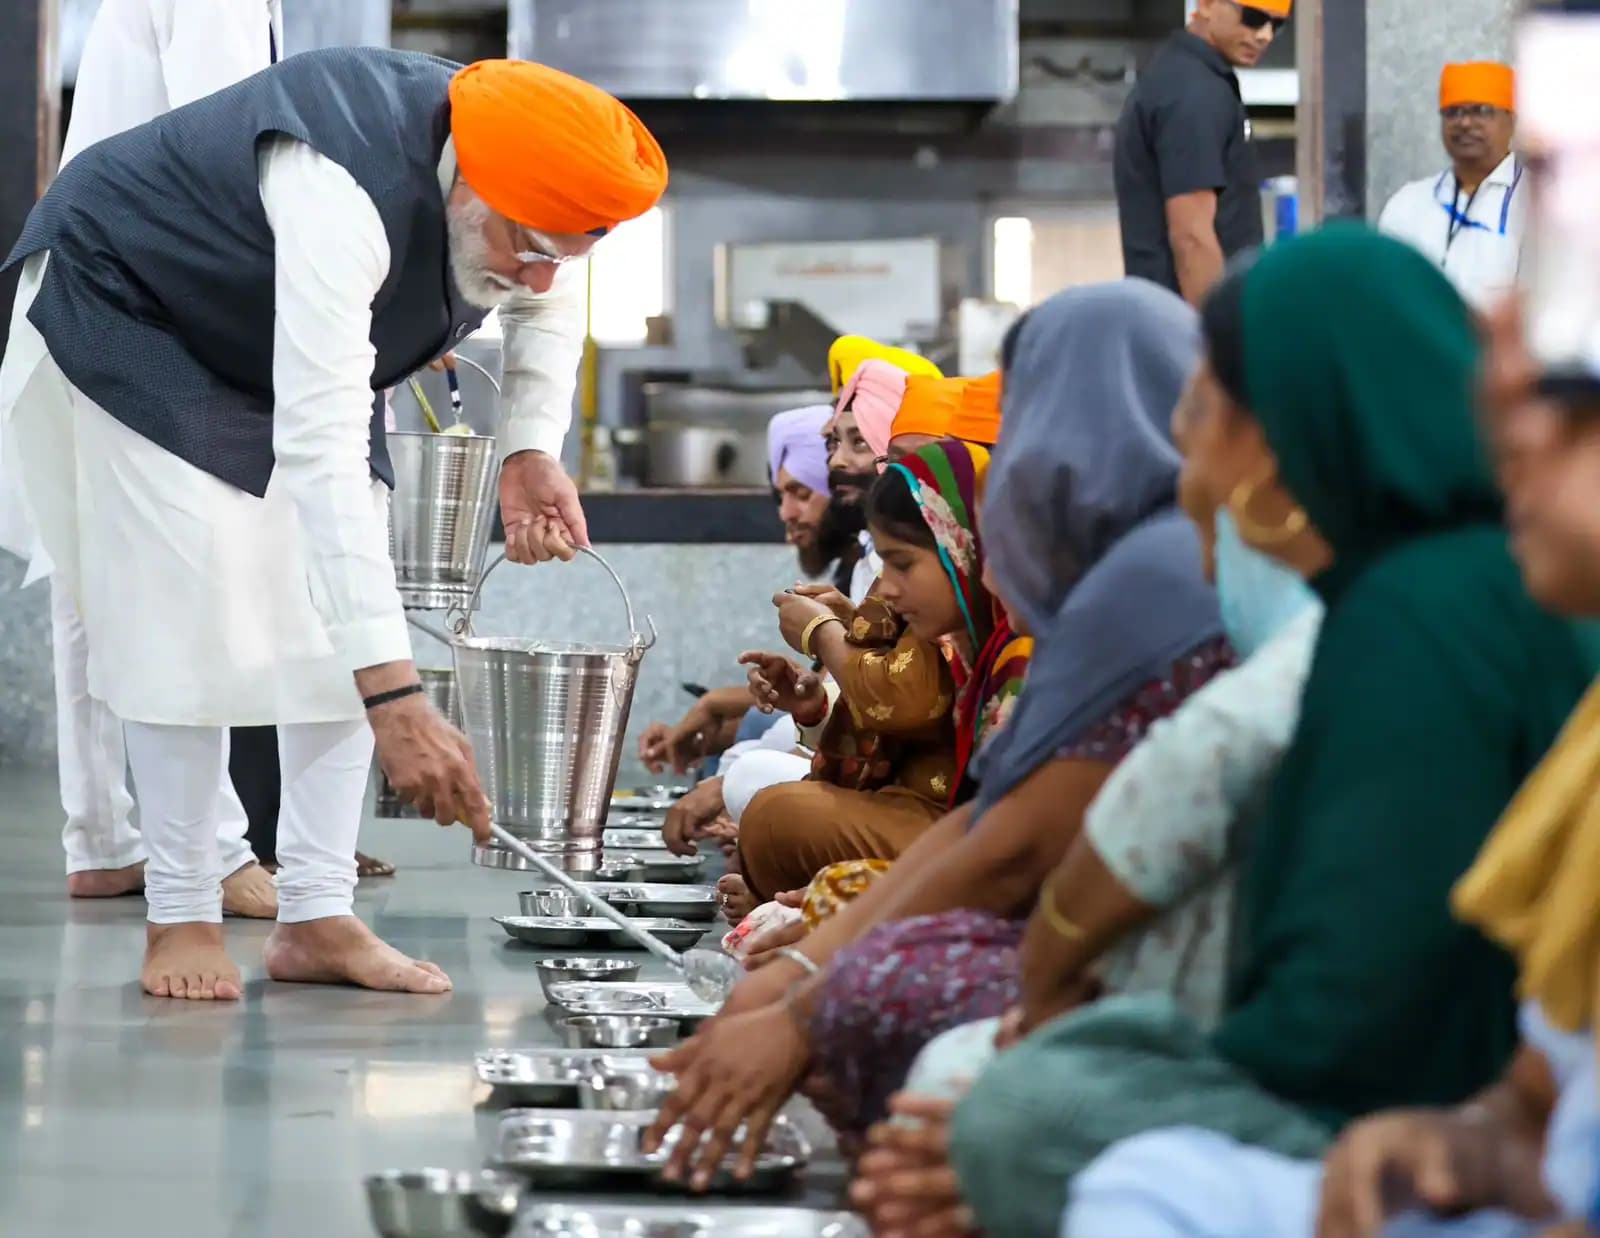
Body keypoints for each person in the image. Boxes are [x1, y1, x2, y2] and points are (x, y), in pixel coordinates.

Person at [943, 227, 1597, 1238]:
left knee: (1035, 1112)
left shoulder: (1415, 616)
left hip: (1406, 1111)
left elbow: (1356, 1012)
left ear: (1285, 426)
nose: (1186, 450)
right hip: (1475, 1097)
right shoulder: (1445, 588)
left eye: (1205, 407)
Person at [0, 51, 666, 1000]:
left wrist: (528, 446)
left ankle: (318, 915)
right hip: (135, 301)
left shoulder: (524, 195)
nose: (544, 280)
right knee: (183, 604)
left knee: (341, 615)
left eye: (569, 256)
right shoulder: (338, 178)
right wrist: (395, 702)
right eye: (532, 249)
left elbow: (541, 307)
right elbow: (318, 445)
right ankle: (180, 911)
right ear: (470, 187)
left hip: (271, 330)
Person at [643, 278, 1231, 1187]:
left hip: (1190, 968)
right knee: (860, 953)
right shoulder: (1125, 568)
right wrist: (802, 964)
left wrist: (805, 1000)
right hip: (1111, 922)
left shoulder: (1159, 575)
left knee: (884, 997)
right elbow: (993, 821)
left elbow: (1010, 844)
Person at [0, 0, 286, 914]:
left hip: (88, 275)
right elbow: (227, 160)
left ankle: (103, 836)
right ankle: (214, 849)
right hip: (138, 294)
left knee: (93, 571)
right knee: (183, 566)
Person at [734, 439, 1028, 902]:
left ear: (962, 543)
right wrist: (815, 706)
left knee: (774, 810)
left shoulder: (1015, 651)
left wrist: (824, 634)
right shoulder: (975, 633)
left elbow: (903, 702)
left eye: (903, 565)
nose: (886, 588)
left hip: (982, 864)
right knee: (769, 802)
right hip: (938, 826)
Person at [1113, 0, 1288, 305]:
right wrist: (1214, 342)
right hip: (1186, 327)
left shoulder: (1189, 79)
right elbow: (1191, 236)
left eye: (1276, 25)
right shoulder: (1194, 91)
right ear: (1206, 4)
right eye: (1253, 17)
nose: (1265, 35)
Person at [1379, 62, 1523, 311]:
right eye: (1452, 112)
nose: (1465, 122)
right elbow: (1386, 295)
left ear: (1511, 120)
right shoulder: (1408, 205)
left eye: (1482, 110)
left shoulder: (1540, 204)